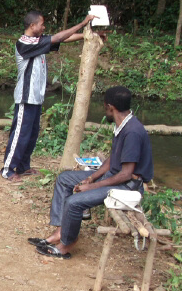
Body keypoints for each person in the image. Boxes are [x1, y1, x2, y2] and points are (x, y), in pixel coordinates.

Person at [29, 86, 153, 259]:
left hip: (127, 187)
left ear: (110, 107)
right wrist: (91, 177)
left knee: (74, 202)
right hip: (114, 178)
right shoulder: (123, 124)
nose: (105, 111)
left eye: (104, 107)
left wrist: (93, 186)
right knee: (64, 179)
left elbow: (125, 174)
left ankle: (66, 245)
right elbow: (113, 158)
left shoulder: (132, 132)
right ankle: (61, 231)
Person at [2, 11, 97, 182]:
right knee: (20, 134)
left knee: (31, 134)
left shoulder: (37, 41)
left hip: (36, 97)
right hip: (26, 97)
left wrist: (86, 35)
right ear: (32, 26)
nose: (44, 27)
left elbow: (62, 38)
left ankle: (23, 167)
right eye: (42, 24)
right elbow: (58, 38)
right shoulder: (24, 43)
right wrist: (83, 23)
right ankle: (7, 169)